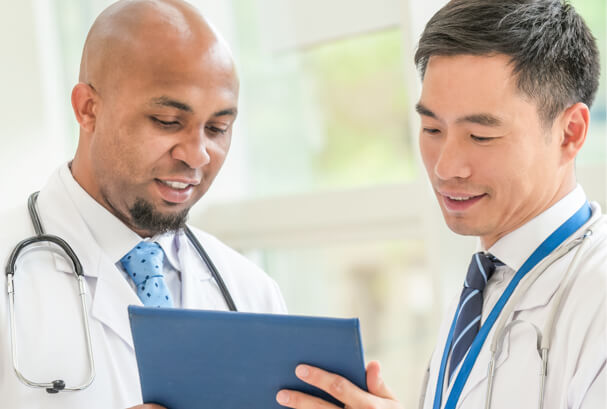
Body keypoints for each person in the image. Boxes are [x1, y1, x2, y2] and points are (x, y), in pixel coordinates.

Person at [276, 0, 605, 408]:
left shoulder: (597, 295)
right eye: (432, 128)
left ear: (569, 133)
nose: (445, 166)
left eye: (480, 136)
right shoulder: (485, 281)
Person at [0, 0, 286, 408]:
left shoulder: (252, 294)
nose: (198, 155)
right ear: (88, 109)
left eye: (218, 128)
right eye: (168, 121)